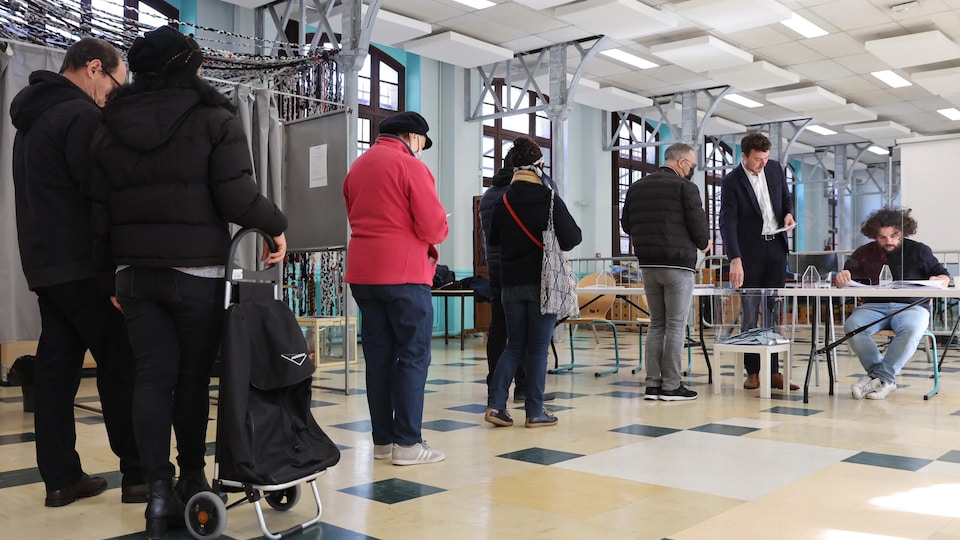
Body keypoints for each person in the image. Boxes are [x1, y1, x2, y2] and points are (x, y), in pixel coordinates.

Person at [89, 26, 288, 538]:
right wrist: (277, 225)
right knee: (194, 379)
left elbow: (98, 211)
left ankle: (158, 492)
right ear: (188, 66)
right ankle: (194, 477)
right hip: (195, 272)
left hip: (133, 274)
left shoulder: (109, 123)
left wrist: (111, 270)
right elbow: (238, 200)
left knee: (151, 378)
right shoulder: (214, 118)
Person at [10, 37, 145, 508]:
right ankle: (139, 475)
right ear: (93, 68)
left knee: (56, 371)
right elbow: (99, 200)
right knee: (120, 364)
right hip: (84, 267)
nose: (113, 95)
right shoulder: (81, 117)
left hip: (45, 266)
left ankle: (62, 478)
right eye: (114, 84)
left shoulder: (30, 122)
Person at [343, 110, 449, 466]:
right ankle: (408, 443)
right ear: (412, 137)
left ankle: (383, 443)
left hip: (363, 273)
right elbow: (433, 226)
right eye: (422, 142)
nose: (422, 149)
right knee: (413, 355)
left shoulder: (358, 167)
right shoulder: (411, 167)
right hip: (403, 274)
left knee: (379, 357)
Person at [485, 136, 582, 428]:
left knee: (513, 345)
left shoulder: (502, 201)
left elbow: (494, 241)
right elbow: (572, 238)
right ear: (539, 166)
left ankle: (496, 406)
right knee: (538, 348)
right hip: (543, 283)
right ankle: (534, 411)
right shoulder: (548, 199)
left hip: (510, 283)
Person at [621, 143, 711, 401]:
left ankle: (652, 384)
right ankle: (671, 386)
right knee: (675, 325)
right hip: (677, 264)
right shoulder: (686, 188)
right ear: (682, 162)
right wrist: (705, 244)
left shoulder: (637, 187)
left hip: (648, 265)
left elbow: (626, 224)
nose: (692, 170)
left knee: (657, 324)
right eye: (692, 165)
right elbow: (698, 226)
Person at [836, 208, 950, 400]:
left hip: (912, 307)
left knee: (913, 329)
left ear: (904, 231)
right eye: (882, 237)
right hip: (873, 307)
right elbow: (844, 279)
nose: (889, 241)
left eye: (894, 236)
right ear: (874, 235)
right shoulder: (863, 253)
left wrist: (939, 280)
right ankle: (884, 379)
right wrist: (841, 278)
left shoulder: (920, 250)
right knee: (852, 326)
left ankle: (879, 378)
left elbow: (943, 275)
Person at [719, 131, 798, 391]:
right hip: (749, 254)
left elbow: (786, 197)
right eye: (757, 160)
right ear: (744, 156)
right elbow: (727, 221)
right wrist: (735, 259)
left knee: (775, 314)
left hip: (776, 248)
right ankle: (753, 371)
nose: (763, 164)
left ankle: (774, 371)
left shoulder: (774, 169)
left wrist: (788, 214)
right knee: (751, 315)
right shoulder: (732, 181)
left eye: (766, 158)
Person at [478, 144, 556, 404]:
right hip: (525, 267)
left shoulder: (490, 194)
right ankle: (525, 388)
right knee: (527, 336)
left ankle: (495, 387)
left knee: (500, 327)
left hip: (496, 265)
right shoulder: (522, 193)